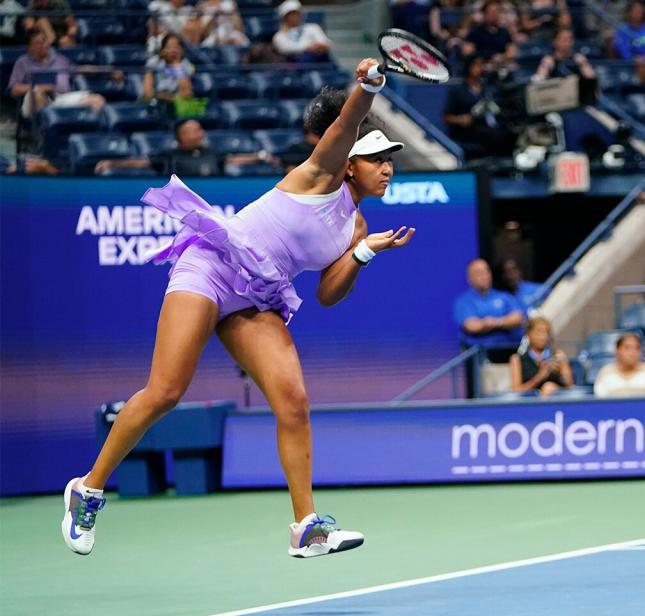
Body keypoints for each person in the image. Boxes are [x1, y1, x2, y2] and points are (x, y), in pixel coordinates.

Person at [61, 59, 414, 558]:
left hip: (257, 297)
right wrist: (367, 86)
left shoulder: (354, 226)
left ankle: (305, 526)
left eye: (391, 160)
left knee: (293, 400)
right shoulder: (318, 174)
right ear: (350, 161)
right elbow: (344, 125)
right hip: (211, 268)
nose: (387, 168)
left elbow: (328, 294)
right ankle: (89, 488)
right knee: (165, 391)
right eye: (377, 158)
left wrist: (365, 252)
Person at [94, 119, 279, 177]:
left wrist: (260, 156)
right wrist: (111, 163)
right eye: (195, 130)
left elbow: (233, 159)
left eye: (200, 129)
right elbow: (140, 163)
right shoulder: (169, 155)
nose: (201, 133)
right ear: (181, 136)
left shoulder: (211, 152)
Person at [7, 28, 108, 118]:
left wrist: (108, 71)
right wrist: (38, 87)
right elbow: (14, 90)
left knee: (97, 100)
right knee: (37, 93)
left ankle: (91, 136)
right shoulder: (22, 62)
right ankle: (42, 136)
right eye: (38, 43)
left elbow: (80, 69)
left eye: (44, 41)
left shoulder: (59, 59)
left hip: (61, 98)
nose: (43, 45)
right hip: (35, 100)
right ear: (29, 48)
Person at [443, 55, 515, 161]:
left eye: (482, 65)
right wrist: (461, 119)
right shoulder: (457, 91)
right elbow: (446, 117)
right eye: (477, 65)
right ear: (469, 67)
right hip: (468, 130)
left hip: (487, 126)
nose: (480, 68)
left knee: (510, 132)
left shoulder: (486, 89)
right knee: (494, 135)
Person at [454, 258, 525, 349]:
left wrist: (495, 322)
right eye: (479, 273)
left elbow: (518, 318)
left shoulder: (503, 296)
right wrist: (505, 322)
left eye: (487, 271)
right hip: (480, 353)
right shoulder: (464, 301)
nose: (485, 276)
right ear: (469, 279)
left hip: (510, 349)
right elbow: (472, 326)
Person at [508, 317, 573, 397]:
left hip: (556, 400)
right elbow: (516, 390)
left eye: (546, 333)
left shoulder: (557, 356)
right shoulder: (517, 359)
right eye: (538, 332)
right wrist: (539, 377)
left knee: (549, 387)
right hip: (529, 402)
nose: (542, 337)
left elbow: (569, 385)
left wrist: (561, 370)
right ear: (528, 334)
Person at [592, 333, 645, 398]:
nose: (632, 353)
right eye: (627, 348)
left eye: (637, 348)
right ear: (617, 350)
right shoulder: (605, 373)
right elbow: (600, 403)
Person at [142, 33, 194, 107]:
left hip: (178, 105)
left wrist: (177, 65)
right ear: (163, 49)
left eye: (176, 47)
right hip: (156, 103)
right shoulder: (153, 62)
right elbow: (147, 92)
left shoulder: (186, 64)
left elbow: (187, 94)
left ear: (182, 50)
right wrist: (160, 96)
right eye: (169, 47)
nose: (173, 51)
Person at [463, 0, 517, 66]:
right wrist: (486, 58)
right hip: (481, 66)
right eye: (492, 12)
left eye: (497, 11)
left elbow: (512, 51)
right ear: (484, 13)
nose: (495, 15)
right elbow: (467, 51)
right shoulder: (475, 31)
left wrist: (502, 57)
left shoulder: (504, 31)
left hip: (500, 65)